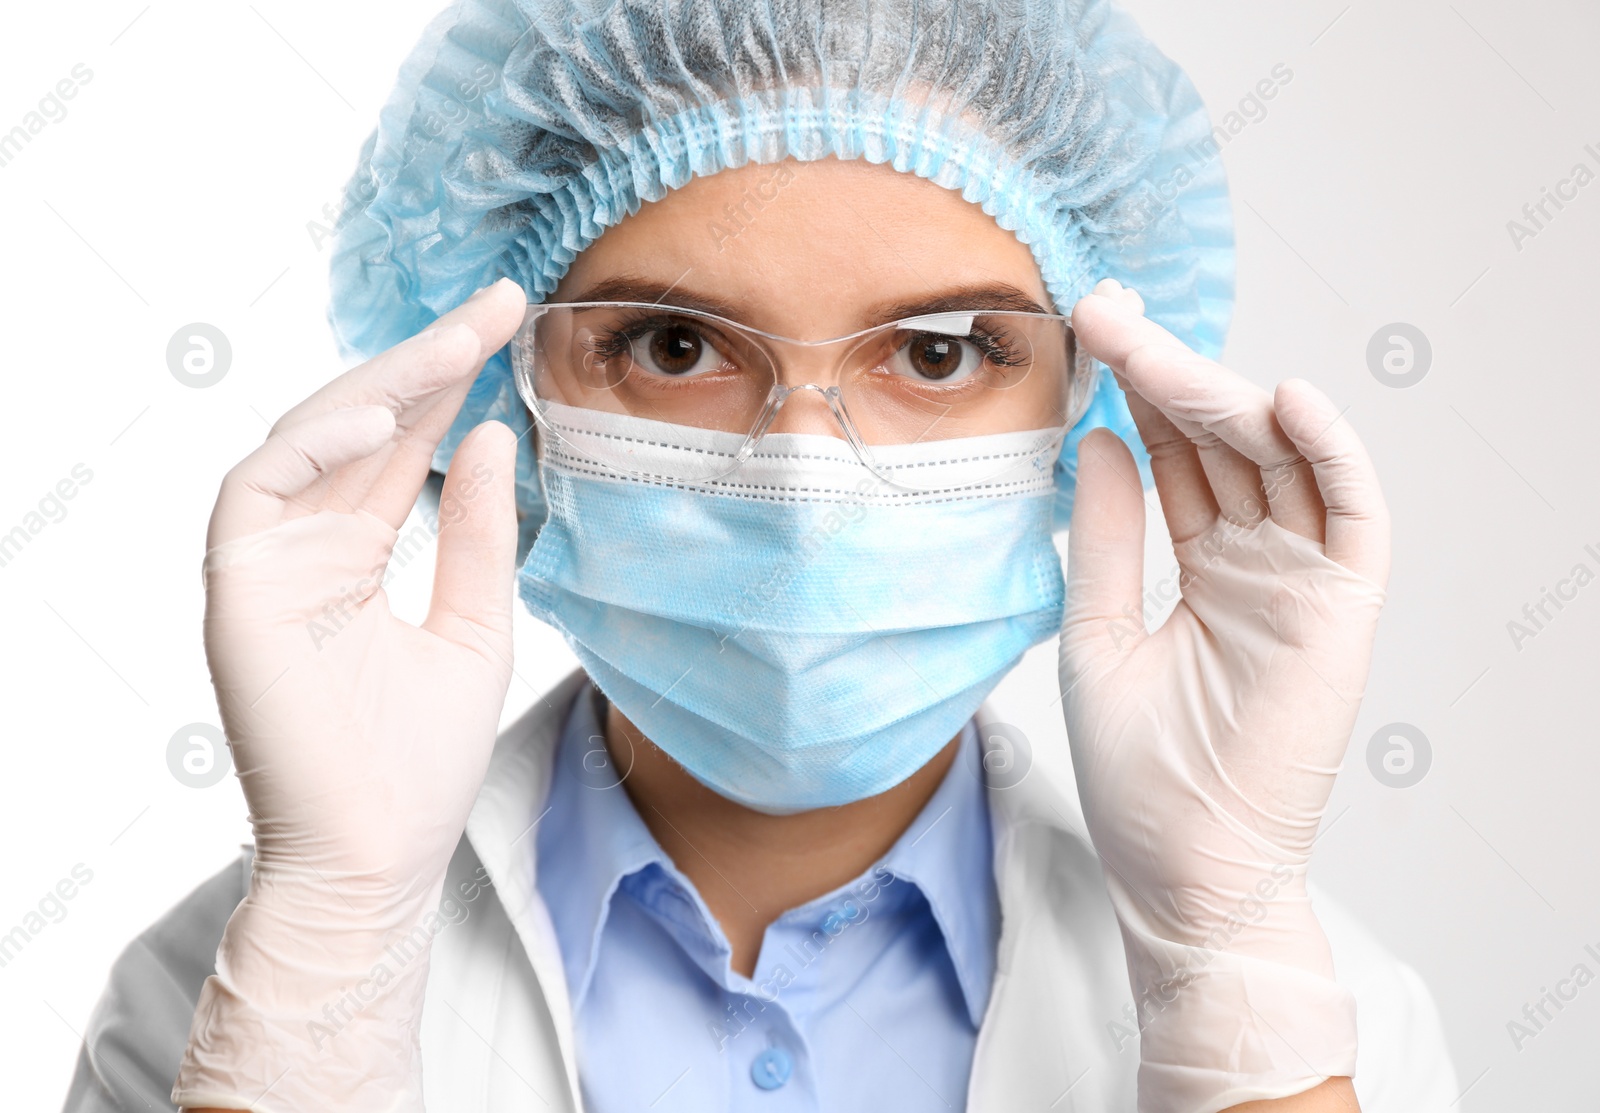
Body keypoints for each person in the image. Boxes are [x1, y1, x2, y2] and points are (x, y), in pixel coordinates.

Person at [64, 1, 1459, 1111]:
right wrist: (325, 976)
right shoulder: (224, 1005)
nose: (802, 476)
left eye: (938, 352)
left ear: (1088, 401)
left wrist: (1226, 957)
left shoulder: (1326, 1028)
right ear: (504, 399)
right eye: (675, 348)